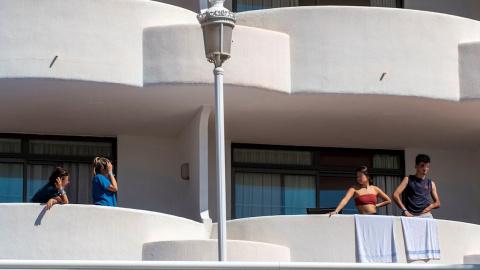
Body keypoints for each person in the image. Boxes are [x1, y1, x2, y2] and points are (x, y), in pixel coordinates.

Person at [392, 154, 440, 218]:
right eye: (422, 166)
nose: (425, 168)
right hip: (411, 216)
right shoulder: (408, 179)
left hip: (426, 216)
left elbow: (438, 203)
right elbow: (395, 195)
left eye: (427, 166)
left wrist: (431, 206)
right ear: (416, 166)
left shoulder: (431, 183)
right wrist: (404, 210)